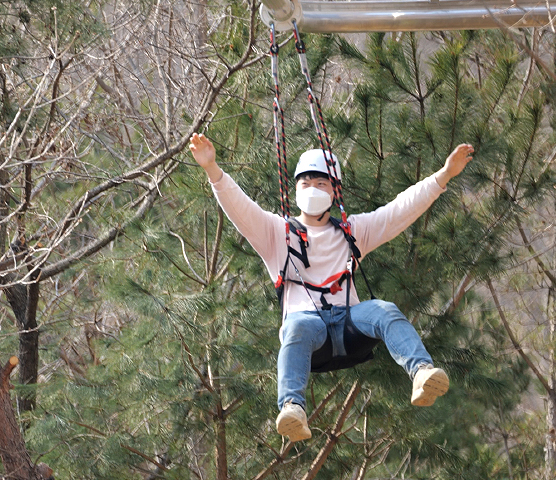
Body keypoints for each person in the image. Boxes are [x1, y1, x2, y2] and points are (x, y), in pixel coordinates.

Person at [187, 134, 475, 442]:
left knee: (385, 310)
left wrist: (443, 176)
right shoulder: (275, 233)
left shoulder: (352, 232)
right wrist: (211, 168)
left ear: (335, 191)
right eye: (305, 184)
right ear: (295, 190)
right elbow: (239, 207)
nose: (312, 190)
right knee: (297, 325)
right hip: (312, 335)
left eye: (321, 184)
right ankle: (292, 409)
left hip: (351, 326)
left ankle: (421, 373)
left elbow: (399, 211)